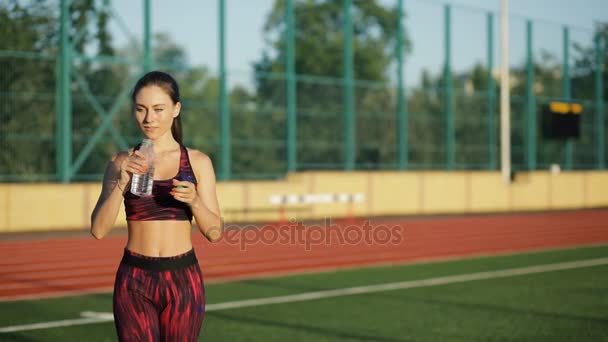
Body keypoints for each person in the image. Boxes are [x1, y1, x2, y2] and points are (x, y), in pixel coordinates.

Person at [90, 70, 222, 341]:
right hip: (134, 280)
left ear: (176, 109)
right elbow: (99, 229)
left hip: (183, 281)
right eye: (141, 109)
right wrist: (121, 183)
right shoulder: (121, 162)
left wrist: (195, 201)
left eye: (158, 109)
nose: (149, 119)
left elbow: (215, 232)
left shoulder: (197, 162)